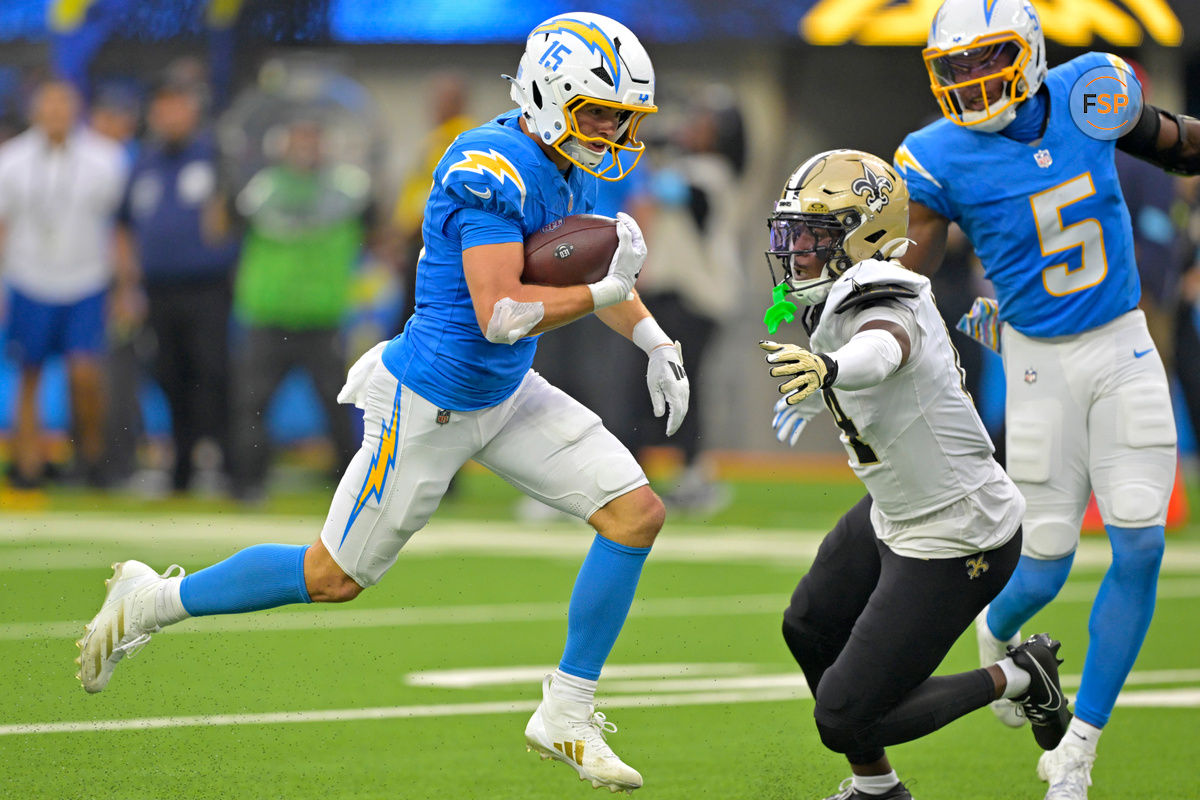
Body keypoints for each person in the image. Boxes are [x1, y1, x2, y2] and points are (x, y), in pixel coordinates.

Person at [76, 12, 689, 795]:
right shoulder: (485, 164)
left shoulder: (572, 160)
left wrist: (653, 339)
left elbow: (588, 278)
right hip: (428, 400)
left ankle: (565, 712)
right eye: (599, 113)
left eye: (619, 119)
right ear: (548, 94)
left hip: (504, 391)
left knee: (635, 513)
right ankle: (153, 599)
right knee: (332, 575)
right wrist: (605, 290)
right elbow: (503, 311)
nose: (609, 132)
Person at [892, 1, 1200, 796]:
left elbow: (1175, 146)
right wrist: (830, 321)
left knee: (1141, 543)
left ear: (1026, 51)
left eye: (982, 59)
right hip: (1035, 365)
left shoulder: (1090, 91)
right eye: (952, 67)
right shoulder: (934, 156)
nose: (969, 79)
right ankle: (997, 628)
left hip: (1124, 344)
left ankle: (1081, 745)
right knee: (1045, 560)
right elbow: (905, 276)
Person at [758, 148, 1069, 800]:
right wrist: (826, 388)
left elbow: (882, 346)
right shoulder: (837, 294)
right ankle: (879, 791)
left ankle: (1022, 675)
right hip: (894, 511)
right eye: (796, 233)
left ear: (865, 238)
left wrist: (834, 373)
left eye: (816, 235)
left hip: (961, 533)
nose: (799, 251)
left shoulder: (887, 292)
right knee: (808, 626)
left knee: (843, 713)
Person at [227, 116, 366, 502]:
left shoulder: (348, 187)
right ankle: (248, 485)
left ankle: (352, 487)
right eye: (298, 138)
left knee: (338, 406)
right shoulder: (264, 186)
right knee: (252, 405)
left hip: (321, 317)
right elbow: (231, 217)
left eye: (312, 138)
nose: (305, 147)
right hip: (268, 314)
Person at [114, 78, 239, 494]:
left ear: (192, 111)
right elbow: (125, 226)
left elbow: (235, 217)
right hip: (158, 290)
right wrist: (128, 285)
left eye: (177, 107)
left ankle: (227, 462)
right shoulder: (144, 163)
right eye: (162, 108)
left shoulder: (215, 156)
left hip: (208, 287)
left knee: (212, 372)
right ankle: (181, 466)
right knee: (169, 375)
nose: (170, 117)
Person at [0, 79, 127, 488]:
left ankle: (90, 456)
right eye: (48, 106)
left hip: (86, 278)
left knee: (85, 372)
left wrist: (123, 285)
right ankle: (28, 464)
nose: (56, 114)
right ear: (35, 111)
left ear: (77, 110)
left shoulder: (105, 158)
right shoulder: (12, 159)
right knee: (28, 373)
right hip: (28, 275)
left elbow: (119, 226)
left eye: (63, 105)